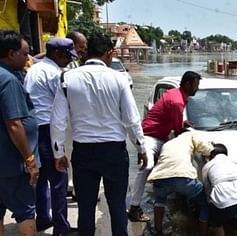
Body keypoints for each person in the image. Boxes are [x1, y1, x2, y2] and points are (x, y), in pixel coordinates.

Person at [50, 32, 146, 236]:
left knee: (86, 208)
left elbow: (57, 120)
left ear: (86, 53)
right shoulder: (119, 78)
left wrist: (58, 153)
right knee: (117, 206)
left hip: (83, 152)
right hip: (114, 152)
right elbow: (131, 119)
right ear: (109, 53)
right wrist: (141, 147)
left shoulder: (67, 78)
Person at [128, 71, 202, 222]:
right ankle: (134, 206)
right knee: (147, 166)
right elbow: (178, 131)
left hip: (161, 136)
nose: (197, 88)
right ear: (188, 84)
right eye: (196, 85)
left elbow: (175, 123)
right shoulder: (177, 101)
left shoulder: (178, 95)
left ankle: (160, 196)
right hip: (150, 136)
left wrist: (182, 123)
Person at [24, 37, 76, 235]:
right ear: (57, 54)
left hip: (32, 128)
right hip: (48, 129)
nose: (69, 61)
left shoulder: (34, 70)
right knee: (59, 179)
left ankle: (43, 218)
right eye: (67, 57)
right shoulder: (54, 73)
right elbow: (63, 104)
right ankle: (61, 227)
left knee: (40, 178)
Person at [0, 30, 39, 236]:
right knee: (25, 212)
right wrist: (30, 160)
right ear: (11, 53)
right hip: (12, 165)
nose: (28, 59)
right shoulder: (8, 81)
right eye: (24, 54)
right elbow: (14, 124)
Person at [146, 131, 213, 235]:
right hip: (183, 176)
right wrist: (211, 149)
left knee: (159, 200)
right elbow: (207, 149)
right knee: (204, 203)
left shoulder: (167, 143)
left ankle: (158, 230)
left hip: (161, 176)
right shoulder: (190, 135)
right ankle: (202, 233)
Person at [202, 143, 237, 236]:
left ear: (212, 155)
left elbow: (206, 188)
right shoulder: (236, 161)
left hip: (223, 201)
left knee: (217, 223)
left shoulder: (207, 166)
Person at [65, 31, 88, 200]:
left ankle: (73, 186)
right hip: (67, 119)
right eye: (81, 47)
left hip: (73, 118)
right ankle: (73, 187)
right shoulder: (65, 66)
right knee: (69, 152)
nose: (83, 50)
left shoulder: (73, 64)